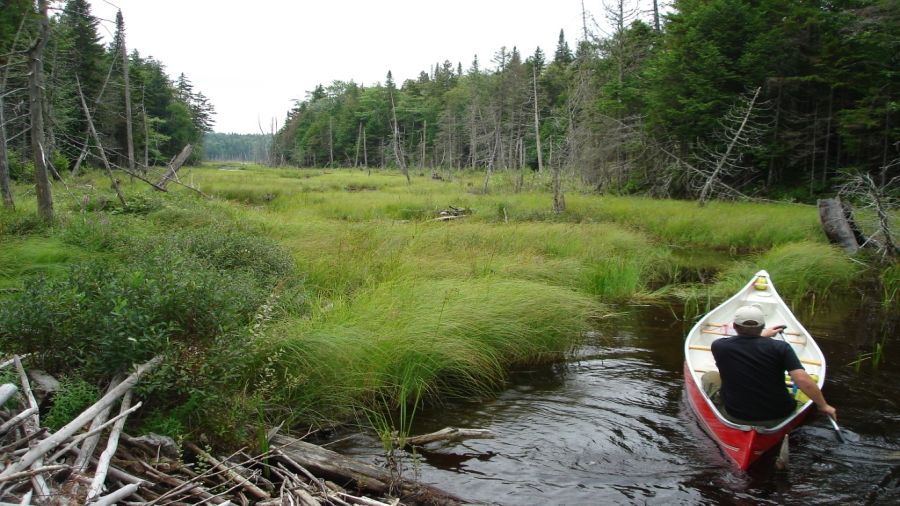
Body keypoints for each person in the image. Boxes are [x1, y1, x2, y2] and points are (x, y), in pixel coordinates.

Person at [702, 305, 837, 427]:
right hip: (779, 416)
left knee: (709, 377)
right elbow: (802, 380)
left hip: (736, 416)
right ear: (762, 327)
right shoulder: (781, 348)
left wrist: (761, 336)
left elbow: (746, 345)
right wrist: (824, 406)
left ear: (735, 327)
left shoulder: (719, 346)